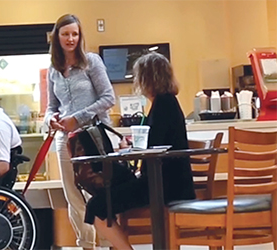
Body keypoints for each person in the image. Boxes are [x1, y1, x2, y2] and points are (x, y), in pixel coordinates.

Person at [85, 52, 196, 250]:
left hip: (162, 186)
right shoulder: (166, 102)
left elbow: (155, 147)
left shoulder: (163, 105)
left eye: (138, 76)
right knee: (108, 197)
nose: (136, 80)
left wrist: (131, 149)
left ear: (147, 78)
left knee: (96, 207)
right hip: (171, 182)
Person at [43, 14, 117, 250]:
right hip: (65, 139)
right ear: (57, 37)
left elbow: (108, 98)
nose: (71, 38)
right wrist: (50, 119)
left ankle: (108, 241)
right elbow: (51, 107)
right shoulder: (53, 69)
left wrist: (78, 117)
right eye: (65, 34)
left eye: (74, 34)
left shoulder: (91, 62)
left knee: (99, 189)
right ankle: (86, 244)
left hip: (94, 135)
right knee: (72, 194)